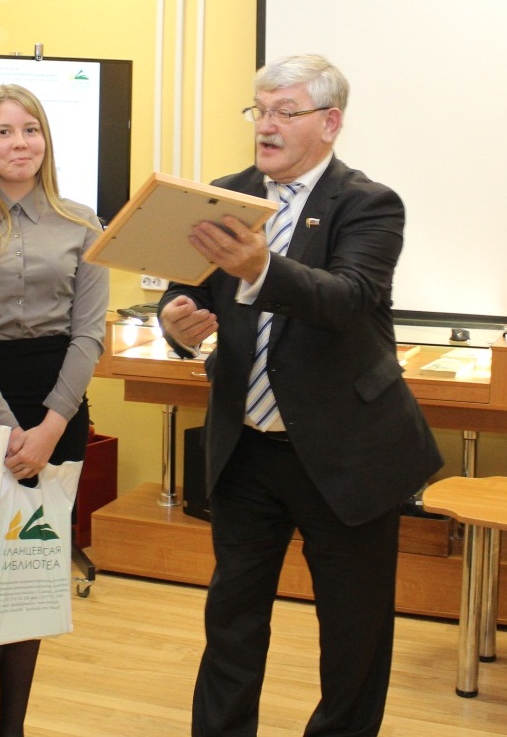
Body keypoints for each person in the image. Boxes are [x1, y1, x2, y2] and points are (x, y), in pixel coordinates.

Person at [158, 54, 443, 737]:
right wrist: (173, 320)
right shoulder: (224, 197)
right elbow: (183, 291)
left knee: (352, 631)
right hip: (245, 449)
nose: (266, 125)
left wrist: (261, 268)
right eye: (260, 110)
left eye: (285, 111)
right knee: (231, 620)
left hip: (345, 453)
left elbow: (346, 298)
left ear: (330, 122)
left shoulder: (368, 204)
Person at [0, 83, 110, 737]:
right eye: (3, 131)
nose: (19, 143)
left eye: (30, 129)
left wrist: (52, 427)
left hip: (59, 410)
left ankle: (13, 728)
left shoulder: (83, 221)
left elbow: (88, 335)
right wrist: (7, 432)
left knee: (32, 576)